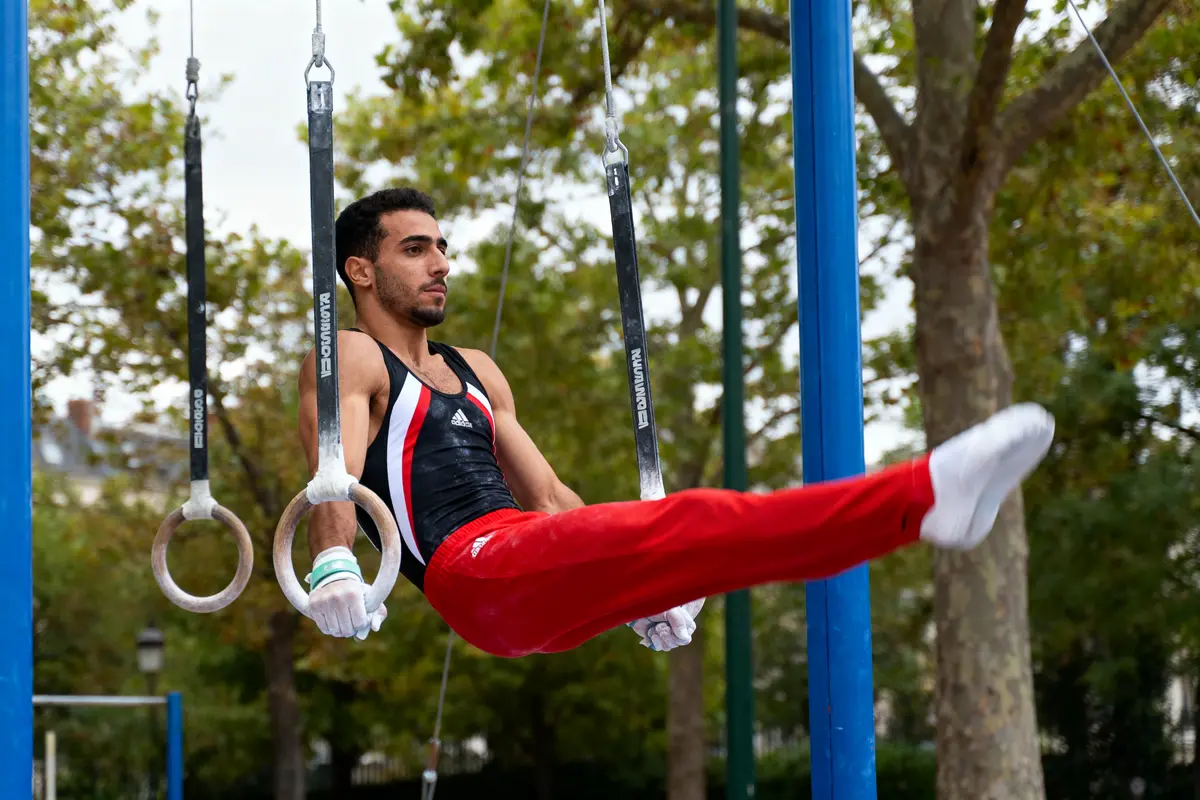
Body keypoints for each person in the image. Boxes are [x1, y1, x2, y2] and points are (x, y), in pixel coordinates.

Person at [296, 188, 1056, 658]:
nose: (442, 264)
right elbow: (335, 472)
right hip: (468, 572)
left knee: (708, 554)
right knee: (693, 520)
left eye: (443, 247)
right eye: (416, 248)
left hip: (521, 573)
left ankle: (923, 513)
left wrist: (637, 596)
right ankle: (921, 496)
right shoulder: (351, 356)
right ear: (360, 270)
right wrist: (335, 562)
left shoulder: (477, 370)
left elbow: (554, 501)